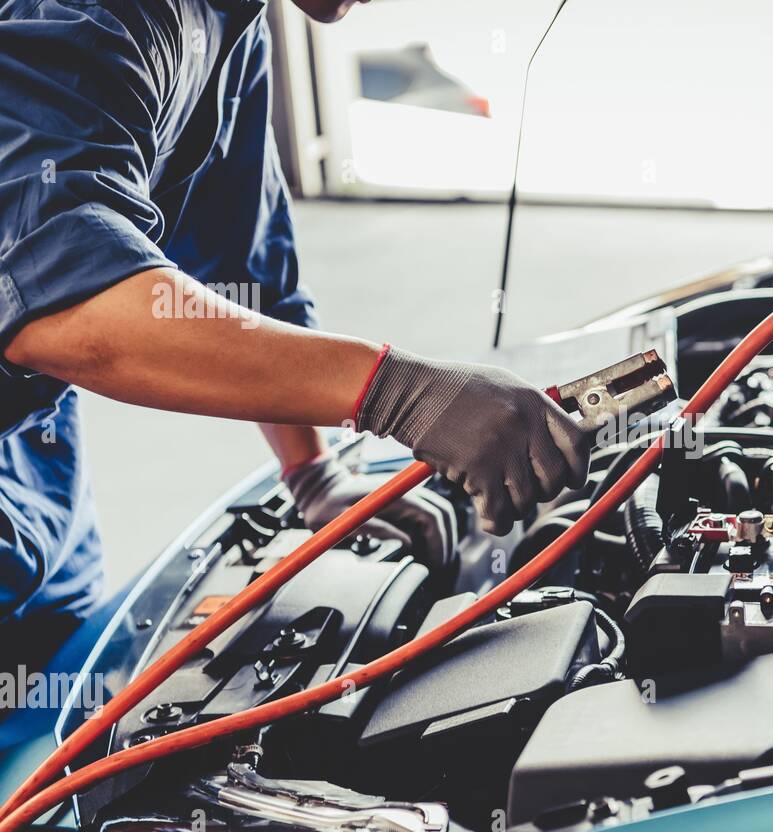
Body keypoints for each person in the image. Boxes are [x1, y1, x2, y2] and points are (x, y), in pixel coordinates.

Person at [0, 0, 589, 655]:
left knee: (51, 701)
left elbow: (242, 268)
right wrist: (399, 393)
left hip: (36, 461)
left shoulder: (231, 21)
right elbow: (57, 305)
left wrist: (313, 471)